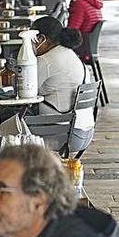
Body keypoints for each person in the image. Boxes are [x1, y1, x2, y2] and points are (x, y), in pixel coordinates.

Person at [30, 16, 95, 154]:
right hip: (84, 132)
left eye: (31, 39)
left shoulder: (45, 60)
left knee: (6, 127)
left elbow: (24, 92)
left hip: (61, 134)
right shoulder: (71, 55)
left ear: (41, 39)